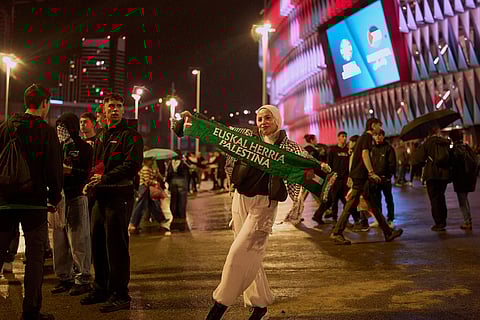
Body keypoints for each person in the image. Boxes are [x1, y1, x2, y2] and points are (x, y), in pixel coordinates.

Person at [175, 105, 330, 320]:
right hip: (240, 200)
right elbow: (220, 133)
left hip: (264, 205)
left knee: (239, 253)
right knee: (251, 256)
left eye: (267, 118)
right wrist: (194, 122)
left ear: (277, 120)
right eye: (259, 119)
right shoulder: (246, 138)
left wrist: (323, 174)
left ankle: (219, 306)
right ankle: (260, 305)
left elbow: (308, 167)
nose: (263, 122)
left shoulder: (289, 148)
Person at [0, 84, 63, 320]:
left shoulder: (6, 127)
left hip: (4, 201)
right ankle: (31, 310)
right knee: (35, 258)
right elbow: (53, 168)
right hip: (34, 203)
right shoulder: (46, 131)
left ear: (27, 102)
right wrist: (54, 196)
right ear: (45, 104)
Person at [80, 93, 143, 313]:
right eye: (110, 106)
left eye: (118, 106)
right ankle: (102, 288)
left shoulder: (131, 136)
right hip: (100, 196)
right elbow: (97, 164)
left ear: (123, 109)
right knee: (98, 243)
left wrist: (105, 178)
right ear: (104, 110)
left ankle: (120, 294)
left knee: (116, 246)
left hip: (120, 195)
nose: (114, 109)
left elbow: (132, 164)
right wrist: (91, 181)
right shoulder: (101, 136)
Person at [330, 118, 403, 245]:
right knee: (351, 203)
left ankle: (388, 232)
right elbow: (364, 154)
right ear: (373, 125)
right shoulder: (367, 137)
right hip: (360, 177)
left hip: (360, 177)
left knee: (372, 204)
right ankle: (337, 232)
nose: (380, 128)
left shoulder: (364, 137)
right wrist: (371, 173)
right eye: (379, 126)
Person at [51, 113, 93, 296]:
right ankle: (64, 277)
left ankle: (82, 278)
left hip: (76, 196)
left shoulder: (84, 147)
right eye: (58, 126)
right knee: (59, 242)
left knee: (78, 240)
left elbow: (86, 173)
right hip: (59, 199)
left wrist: (70, 170)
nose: (61, 130)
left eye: (64, 126)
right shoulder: (56, 147)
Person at [413, 125, 451, 231]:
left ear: (429, 133)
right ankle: (443, 220)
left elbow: (418, 159)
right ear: (438, 132)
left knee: (434, 199)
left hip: (431, 174)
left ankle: (438, 223)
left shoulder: (427, 143)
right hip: (443, 174)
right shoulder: (445, 142)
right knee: (441, 197)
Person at [128, 157, 172, 234]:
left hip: (147, 188)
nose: (152, 161)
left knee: (152, 204)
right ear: (147, 161)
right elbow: (147, 181)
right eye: (151, 160)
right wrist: (155, 182)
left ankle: (161, 220)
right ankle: (133, 223)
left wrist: (156, 174)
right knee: (140, 205)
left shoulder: (149, 168)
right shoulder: (145, 168)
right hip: (144, 188)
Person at [312, 131, 349, 224]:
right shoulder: (333, 150)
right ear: (338, 138)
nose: (344, 138)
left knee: (342, 200)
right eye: (342, 136)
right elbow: (329, 165)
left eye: (345, 136)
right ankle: (334, 219)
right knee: (333, 200)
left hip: (344, 180)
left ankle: (320, 216)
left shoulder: (348, 150)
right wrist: (329, 177)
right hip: (334, 179)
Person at [449, 130, 476, 230]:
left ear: (452, 138)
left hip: (460, 178)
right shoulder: (466, 147)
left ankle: (467, 222)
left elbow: (454, 165)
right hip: (468, 177)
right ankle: (468, 220)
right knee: (465, 200)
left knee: (462, 201)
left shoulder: (455, 149)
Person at [370, 130, 396, 228]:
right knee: (376, 200)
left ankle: (390, 219)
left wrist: (389, 176)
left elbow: (392, 164)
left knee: (388, 199)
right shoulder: (372, 149)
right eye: (376, 135)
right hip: (375, 179)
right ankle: (379, 219)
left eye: (380, 135)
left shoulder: (388, 148)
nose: (378, 137)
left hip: (385, 179)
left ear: (383, 136)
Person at [166, 151, 190, 232]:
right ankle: (182, 215)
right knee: (182, 200)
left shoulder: (170, 163)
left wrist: (168, 183)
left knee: (174, 200)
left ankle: (175, 215)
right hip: (182, 182)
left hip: (173, 182)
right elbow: (187, 174)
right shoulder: (183, 163)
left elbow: (168, 174)